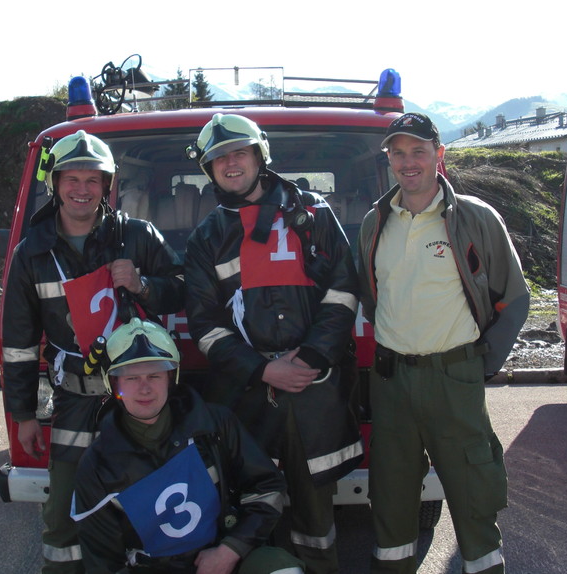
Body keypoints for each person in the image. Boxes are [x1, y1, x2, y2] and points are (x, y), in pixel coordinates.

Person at [183, 113, 363, 573]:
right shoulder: (208, 238)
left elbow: (344, 292)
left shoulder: (314, 214)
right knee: (248, 505)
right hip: (249, 394)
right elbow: (205, 325)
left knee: (314, 514)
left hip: (312, 387)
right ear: (209, 171)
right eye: (218, 158)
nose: (230, 163)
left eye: (239, 152)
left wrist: (309, 358)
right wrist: (263, 369)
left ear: (260, 156)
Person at [0, 130, 185, 574]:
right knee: (63, 517)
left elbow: (183, 292)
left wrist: (142, 285)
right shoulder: (32, 254)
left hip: (142, 403)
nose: (82, 189)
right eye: (72, 179)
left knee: (157, 511)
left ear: (107, 186)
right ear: (56, 184)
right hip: (76, 403)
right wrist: (23, 414)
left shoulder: (138, 236)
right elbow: (19, 344)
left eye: (93, 180)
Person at [356, 112, 529, 574]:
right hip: (391, 382)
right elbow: (373, 299)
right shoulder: (375, 224)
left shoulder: (474, 218)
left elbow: (514, 297)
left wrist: (480, 364)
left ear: (439, 155)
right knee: (391, 497)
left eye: (418, 151)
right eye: (398, 153)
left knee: (473, 492)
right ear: (388, 159)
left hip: (455, 377)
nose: (408, 162)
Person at [72, 318, 305, 574]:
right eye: (131, 378)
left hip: (222, 563)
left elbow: (268, 488)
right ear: (112, 385)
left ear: (171, 378)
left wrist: (230, 550)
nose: (145, 388)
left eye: (155, 375)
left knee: (279, 568)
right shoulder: (97, 465)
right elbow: (103, 564)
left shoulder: (215, 425)